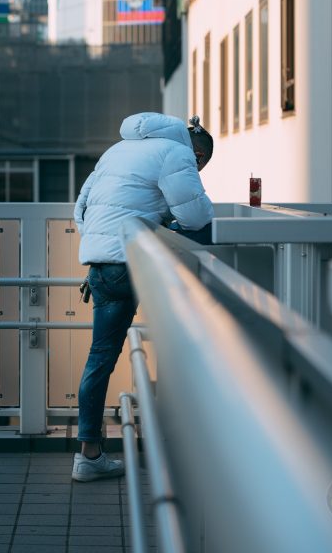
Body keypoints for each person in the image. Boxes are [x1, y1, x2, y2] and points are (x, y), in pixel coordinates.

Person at [71, 112, 214, 482]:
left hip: (101, 265)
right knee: (184, 341)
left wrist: (100, 251)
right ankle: (185, 441)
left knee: (99, 357)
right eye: (202, 164)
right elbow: (197, 218)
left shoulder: (117, 151)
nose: (199, 169)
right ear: (197, 154)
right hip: (134, 261)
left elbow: (81, 208)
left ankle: (88, 454)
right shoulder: (176, 154)